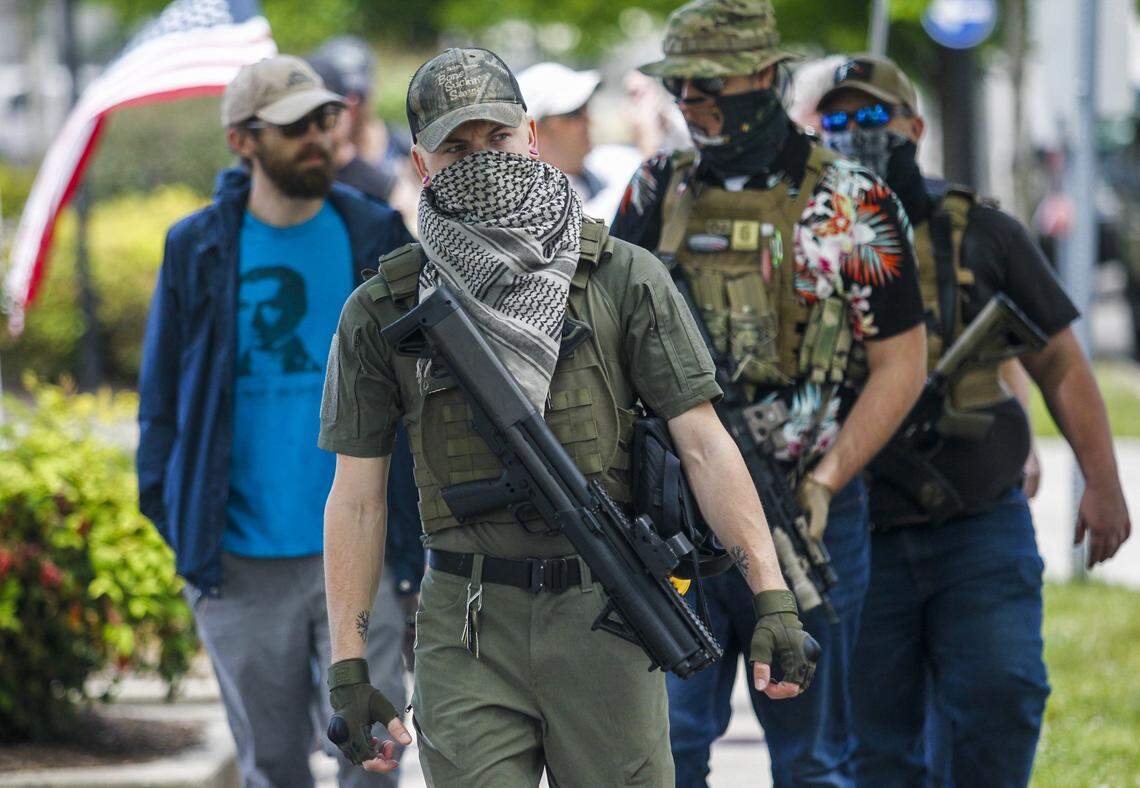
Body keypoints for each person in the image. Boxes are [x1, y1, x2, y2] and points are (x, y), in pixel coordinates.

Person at [317, 46, 820, 786]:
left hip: (604, 612)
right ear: (423, 164)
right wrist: (348, 666)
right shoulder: (386, 309)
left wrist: (771, 595)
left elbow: (706, 446)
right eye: (457, 147)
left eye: (496, 138)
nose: (482, 159)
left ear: (531, 137)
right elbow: (356, 496)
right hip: (466, 622)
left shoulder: (622, 277)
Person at [609, 2, 928, 785]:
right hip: (677, 516)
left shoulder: (857, 201)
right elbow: (608, 335)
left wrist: (828, 480)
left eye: (709, 84)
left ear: (764, 77)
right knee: (667, 743)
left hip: (808, 513)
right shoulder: (658, 187)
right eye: (679, 85)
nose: (691, 101)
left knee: (814, 751)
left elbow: (901, 365)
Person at [815, 53, 1133, 786]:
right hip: (860, 535)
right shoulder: (806, 242)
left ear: (914, 126)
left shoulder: (982, 229)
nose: (854, 134)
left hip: (979, 524)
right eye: (836, 120)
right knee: (873, 746)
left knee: (1003, 699)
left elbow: (1058, 359)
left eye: (872, 117)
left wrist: (1104, 483)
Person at [136, 55, 415, 788]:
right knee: (274, 768)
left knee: (374, 761)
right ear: (243, 139)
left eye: (326, 119)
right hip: (239, 564)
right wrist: (181, 526)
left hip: (360, 553)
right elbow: (161, 404)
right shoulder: (196, 246)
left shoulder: (375, 232)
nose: (318, 137)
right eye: (294, 127)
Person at [515, 61, 641, 220]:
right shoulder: (528, 204)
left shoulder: (605, 161)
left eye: (586, 108)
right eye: (574, 113)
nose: (588, 120)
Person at [307, 36, 415, 206]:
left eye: (359, 96)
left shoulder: (402, 147)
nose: (352, 105)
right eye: (340, 98)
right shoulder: (314, 155)